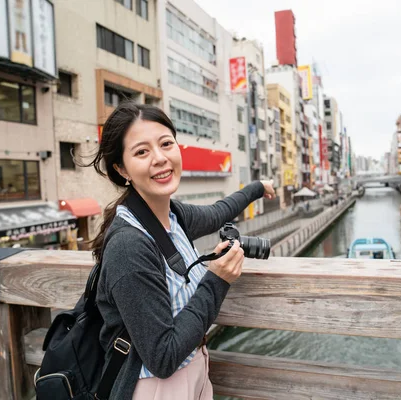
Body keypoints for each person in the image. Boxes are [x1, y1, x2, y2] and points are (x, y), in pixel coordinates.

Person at [86, 103, 275, 400]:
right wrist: (218, 279)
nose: (160, 158)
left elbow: (218, 212)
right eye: (141, 152)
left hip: (194, 370)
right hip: (156, 388)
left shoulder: (173, 216)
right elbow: (162, 357)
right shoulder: (129, 246)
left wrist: (257, 187)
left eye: (166, 144)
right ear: (121, 169)